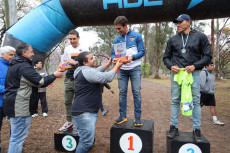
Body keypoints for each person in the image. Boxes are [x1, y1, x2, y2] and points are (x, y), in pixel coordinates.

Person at [3, 42, 63, 153]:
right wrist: (54, 75)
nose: (33, 54)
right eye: (31, 51)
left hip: (13, 105)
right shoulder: (24, 67)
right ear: (24, 52)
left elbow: (32, 82)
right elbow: (40, 82)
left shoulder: (15, 65)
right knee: (17, 139)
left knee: (16, 137)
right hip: (19, 107)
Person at [163, 14, 212, 143]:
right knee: (175, 100)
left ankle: (197, 130)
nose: (177, 24)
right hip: (177, 74)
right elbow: (166, 57)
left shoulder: (200, 37)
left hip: (193, 73)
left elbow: (208, 56)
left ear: (189, 22)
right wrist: (170, 66)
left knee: (195, 101)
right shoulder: (173, 39)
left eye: (180, 22)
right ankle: (173, 127)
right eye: (176, 23)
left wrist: (195, 66)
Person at [72, 51, 123, 153]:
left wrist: (107, 65)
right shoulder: (88, 72)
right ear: (85, 63)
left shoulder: (81, 70)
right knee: (86, 143)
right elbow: (108, 77)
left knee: (85, 140)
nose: (94, 59)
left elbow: (97, 70)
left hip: (83, 111)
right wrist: (117, 66)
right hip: (84, 113)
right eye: (91, 58)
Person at [112, 16, 145, 126]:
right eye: (116, 29)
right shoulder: (117, 39)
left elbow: (142, 52)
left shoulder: (136, 36)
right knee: (122, 93)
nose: (117, 31)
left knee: (136, 92)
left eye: (119, 28)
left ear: (126, 26)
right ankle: (122, 116)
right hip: (122, 70)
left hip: (135, 68)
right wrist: (114, 59)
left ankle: (137, 118)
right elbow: (114, 54)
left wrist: (132, 57)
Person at [59, 29, 88, 132]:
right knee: (67, 102)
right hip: (68, 78)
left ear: (78, 37)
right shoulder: (67, 49)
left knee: (80, 102)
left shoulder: (84, 49)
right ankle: (69, 122)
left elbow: (87, 65)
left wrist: (75, 63)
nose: (72, 41)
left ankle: (81, 123)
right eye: (70, 39)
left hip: (79, 79)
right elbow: (64, 63)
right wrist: (61, 66)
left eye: (74, 39)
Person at [0, 46, 16, 151]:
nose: (13, 57)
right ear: (2, 55)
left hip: (12, 101)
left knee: (14, 127)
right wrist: (8, 89)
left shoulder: (14, 65)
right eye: (11, 55)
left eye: (14, 55)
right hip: (0, 103)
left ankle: (14, 147)